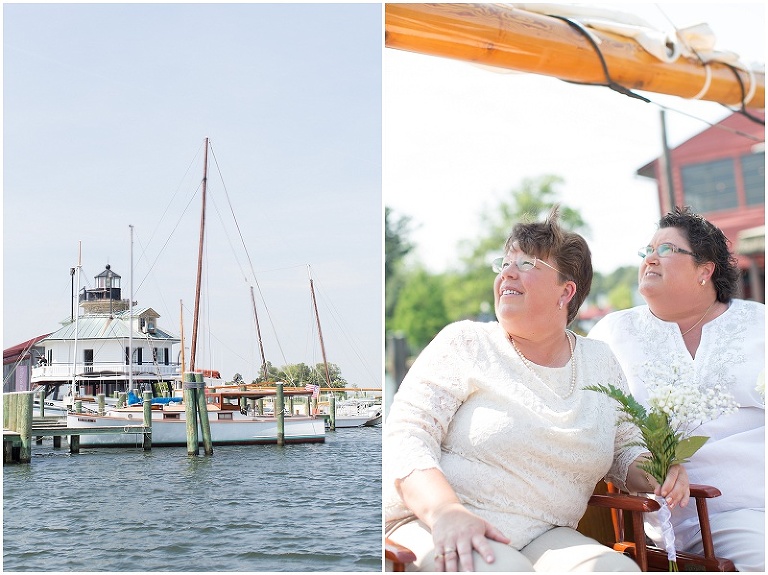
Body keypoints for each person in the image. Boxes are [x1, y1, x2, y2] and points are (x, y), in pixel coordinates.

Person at [384, 206, 690, 572]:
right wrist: (445, 512)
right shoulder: (464, 342)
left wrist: (661, 470)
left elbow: (624, 451)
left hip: (545, 534)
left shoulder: (599, 360)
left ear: (566, 291)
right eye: (504, 263)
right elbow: (406, 435)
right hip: (436, 521)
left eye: (527, 264)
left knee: (620, 570)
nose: (507, 272)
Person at [589, 206, 765, 572]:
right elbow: (593, 426)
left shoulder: (759, 324)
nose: (650, 258)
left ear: (705, 270)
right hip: (698, 512)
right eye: (646, 251)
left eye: (666, 250)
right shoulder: (613, 335)